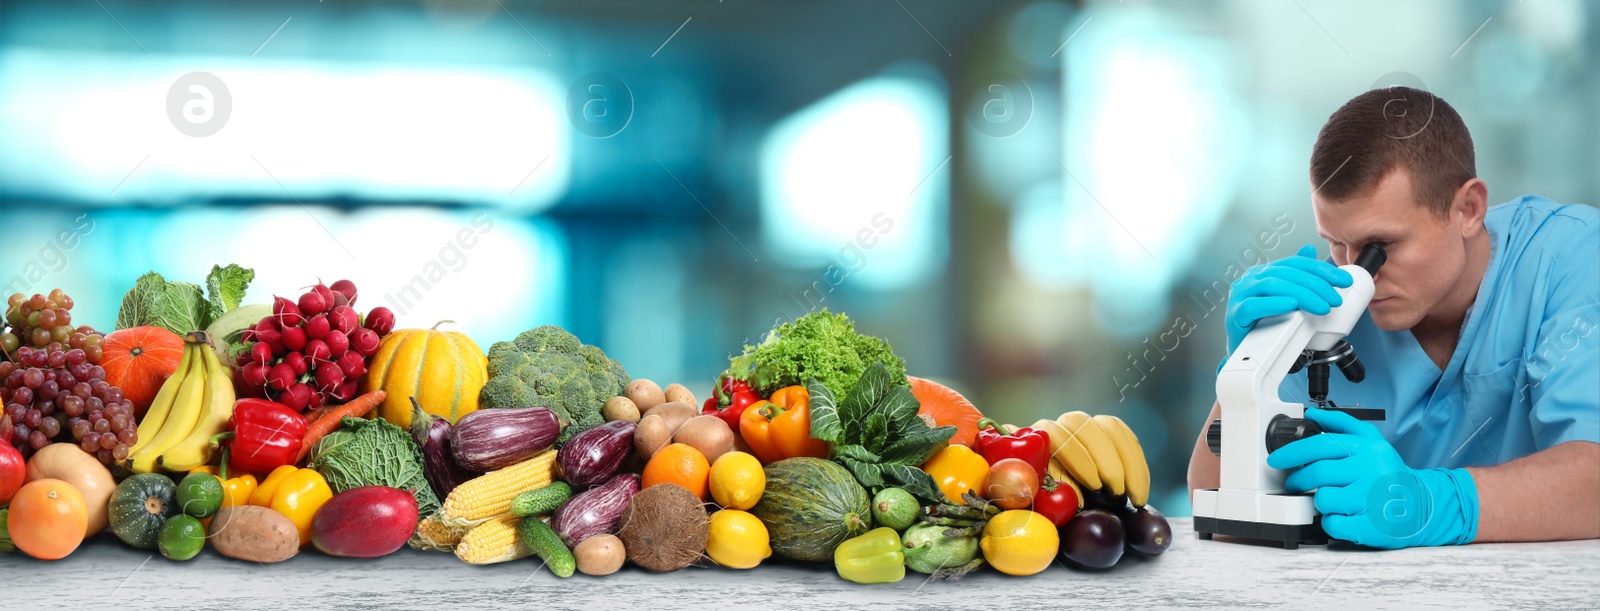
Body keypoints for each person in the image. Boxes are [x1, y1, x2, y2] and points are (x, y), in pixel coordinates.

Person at [1186, 86, 1599, 548]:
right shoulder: (1325, 304)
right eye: (1335, 243)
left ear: (1468, 209)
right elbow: (1215, 505)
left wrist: (1434, 503)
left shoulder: (1570, 259)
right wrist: (1247, 371)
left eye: (1380, 247)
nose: (1355, 275)